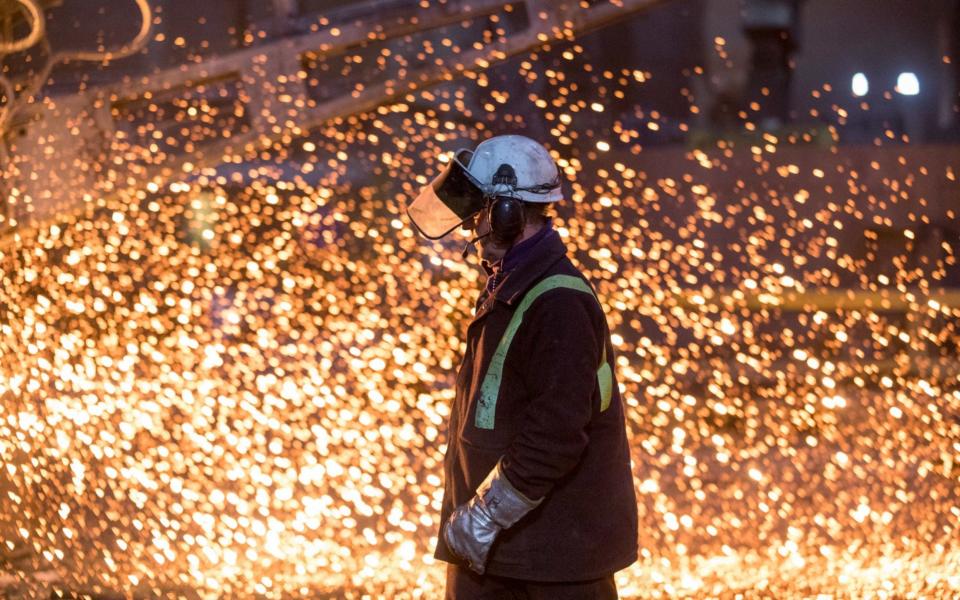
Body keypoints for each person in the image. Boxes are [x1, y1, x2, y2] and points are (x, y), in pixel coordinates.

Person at [407, 134, 638, 600]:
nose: (473, 228)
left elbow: (555, 435)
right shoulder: (511, 287)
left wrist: (485, 516)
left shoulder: (558, 303)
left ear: (506, 215)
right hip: (503, 555)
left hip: (551, 562)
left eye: (480, 215)